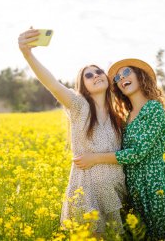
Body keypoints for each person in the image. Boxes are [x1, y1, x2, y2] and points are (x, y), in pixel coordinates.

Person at [18, 28, 127, 235]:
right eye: (89, 75)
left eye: (99, 72)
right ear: (83, 86)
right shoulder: (79, 106)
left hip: (114, 191)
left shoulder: (118, 114)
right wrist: (28, 54)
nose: (96, 75)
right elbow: (52, 84)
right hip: (87, 191)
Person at [73, 59, 165, 240]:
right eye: (117, 77)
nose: (121, 78)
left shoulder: (153, 108)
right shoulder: (126, 115)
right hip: (131, 185)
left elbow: (137, 153)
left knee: (160, 235)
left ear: (140, 76)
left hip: (153, 183)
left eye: (126, 73)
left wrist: (95, 158)